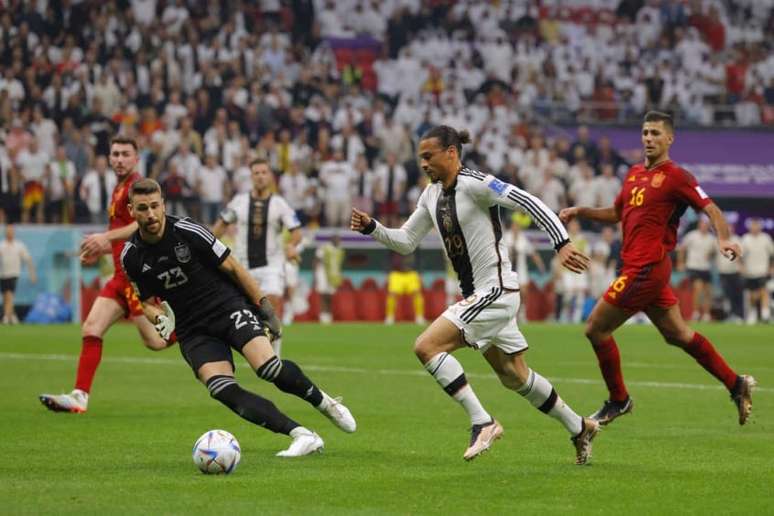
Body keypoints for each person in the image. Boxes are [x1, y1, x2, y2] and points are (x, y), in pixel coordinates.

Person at [351, 125, 599, 465]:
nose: (423, 164)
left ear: (451, 153)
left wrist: (562, 241)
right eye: (420, 158)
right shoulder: (430, 195)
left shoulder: (477, 184)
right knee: (514, 375)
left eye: (428, 156)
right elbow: (407, 242)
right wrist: (372, 228)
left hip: (495, 292)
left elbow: (528, 201)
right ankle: (579, 427)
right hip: (480, 295)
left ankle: (482, 421)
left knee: (426, 346)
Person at [121, 178, 355, 456]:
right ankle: (301, 435)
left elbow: (233, 268)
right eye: (143, 208)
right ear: (131, 210)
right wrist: (157, 317)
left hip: (226, 306)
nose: (150, 215)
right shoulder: (131, 256)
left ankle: (326, 403)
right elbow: (146, 302)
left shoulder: (187, 230)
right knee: (220, 388)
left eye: (155, 206)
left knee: (267, 367)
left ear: (163, 205)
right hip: (192, 329)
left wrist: (265, 308)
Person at [559, 111, 755, 426]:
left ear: (669, 139)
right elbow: (617, 213)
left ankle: (619, 400)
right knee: (678, 334)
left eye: (655, 133)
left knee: (595, 328)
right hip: (642, 267)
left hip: (646, 268)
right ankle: (736, 383)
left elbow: (711, 208)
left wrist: (724, 239)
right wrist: (581, 211)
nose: (648, 138)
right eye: (645, 132)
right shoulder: (634, 173)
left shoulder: (677, 176)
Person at [39, 138, 173, 413]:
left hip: (137, 277)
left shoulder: (138, 189)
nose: (119, 159)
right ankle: (80, 396)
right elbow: (124, 233)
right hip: (119, 277)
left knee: (156, 342)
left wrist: (105, 238)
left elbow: (142, 225)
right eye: (115, 154)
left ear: (136, 158)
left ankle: (195, 323)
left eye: (125, 154)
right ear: (109, 158)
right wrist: (102, 249)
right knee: (91, 328)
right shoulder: (118, 188)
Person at [212, 159, 302, 357]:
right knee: (246, 315)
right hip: (243, 267)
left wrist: (291, 246)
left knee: (270, 307)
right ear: (251, 177)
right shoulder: (239, 202)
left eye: (264, 172)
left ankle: (274, 358)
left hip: (272, 265)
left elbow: (296, 232)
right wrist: (205, 246)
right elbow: (219, 227)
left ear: (270, 176)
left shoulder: (280, 204)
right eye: (256, 173)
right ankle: (257, 353)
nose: (260, 176)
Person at [502, 217, 545, 321]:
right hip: (508, 270)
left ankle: (522, 312)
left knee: (523, 292)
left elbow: (533, 253)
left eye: (518, 226)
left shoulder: (523, 239)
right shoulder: (506, 237)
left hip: (521, 270)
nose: (516, 228)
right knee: (508, 293)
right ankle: (509, 315)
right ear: (511, 226)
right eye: (514, 226)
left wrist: (540, 265)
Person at [677, 218, 715, 321]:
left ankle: (706, 314)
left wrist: (711, 254)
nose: (704, 226)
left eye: (706, 224)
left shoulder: (711, 239)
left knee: (708, 291)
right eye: (702, 224)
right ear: (699, 224)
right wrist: (681, 262)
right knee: (698, 288)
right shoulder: (691, 236)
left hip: (705, 268)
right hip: (693, 267)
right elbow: (682, 249)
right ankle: (696, 312)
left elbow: (714, 253)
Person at [0, 224, 37, 324]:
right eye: (8, 231)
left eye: (11, 231)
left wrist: (32, 274)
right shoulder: (2, 245)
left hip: (14, 273)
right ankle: (13, 316)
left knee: (9, 295)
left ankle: (5, 318)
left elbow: (28, 259)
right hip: (3, 274)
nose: (10, 233)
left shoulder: (19, 245)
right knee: (5, 297)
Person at [741, 218, 773, 324]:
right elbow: (740, 255)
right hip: (750, 272)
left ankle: (765, 314)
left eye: (756, 226)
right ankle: (753, 313)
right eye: (753, 226)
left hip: (763, 271)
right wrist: (742, 267)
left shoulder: (766, 238)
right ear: (750, 227)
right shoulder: (745, 239)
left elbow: (772, 255)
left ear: (760, 227)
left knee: (763, 291)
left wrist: (771, 267)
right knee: (752, 295)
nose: (755, 228)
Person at [384, 253, 425, 325]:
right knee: (392, 294)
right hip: (396, 274)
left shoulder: (413, 245)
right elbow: (388, 256)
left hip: (411, 273)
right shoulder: (394, 244)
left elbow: (419, 256)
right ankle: (390, 317)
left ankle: (419, 317)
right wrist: (387, 271)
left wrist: (420, 272)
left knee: (417, 293)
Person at [314, 233, 344, 324]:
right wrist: (315, 276)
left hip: (332, 276)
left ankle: (328, 316)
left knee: (330, 296)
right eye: (337, 239)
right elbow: (316, 261)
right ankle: (323, 317)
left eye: (339, 240)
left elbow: (338, 265)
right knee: (323, 295)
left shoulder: (339, 250)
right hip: (322, 274)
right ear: (332, 240)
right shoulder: (324, 248)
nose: (338, 241)